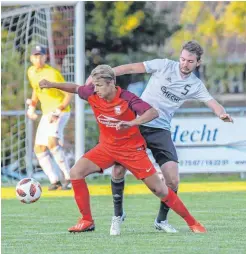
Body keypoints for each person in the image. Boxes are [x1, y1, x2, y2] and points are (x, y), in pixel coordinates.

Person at [87, 41, 233, 235]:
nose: (184, 63)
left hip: (160, 130)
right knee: (118, 169)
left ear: (198, 62)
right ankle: (117, 215)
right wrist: (104, 75)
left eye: (190, 61)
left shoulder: (195, 85)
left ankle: (161, 220)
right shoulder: (164, 65)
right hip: (137, 123)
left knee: (172, 180)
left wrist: (221, 114)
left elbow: (212, 102)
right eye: (182, 59)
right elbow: (132, 67)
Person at [39, 64, 207, 234]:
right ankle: (86, 220)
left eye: (99, 85)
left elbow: (152, 113)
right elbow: (75, 88)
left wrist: (132, 123)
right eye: (94, 85)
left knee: (160, 190)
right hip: (106, 148)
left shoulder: (127, 98)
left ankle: (193, 223)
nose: (95, 89)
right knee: (76, 172)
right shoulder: (91, 93)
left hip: (131, 150)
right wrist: (51, 84)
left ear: (112, 83)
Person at [26, 45, 72, 190]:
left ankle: (69, 178)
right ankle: (55, 181)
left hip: (60, 111)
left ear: (46, 57)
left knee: (52, 143)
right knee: (39, 148)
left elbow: (69, 93)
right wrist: (32, 106)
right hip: (47, 113)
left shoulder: (52, 73)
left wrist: (59, 110)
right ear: (31, 58)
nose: (38, 58)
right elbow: (36, 89)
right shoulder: (31, 71)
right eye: (35, 55)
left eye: (41, 55)